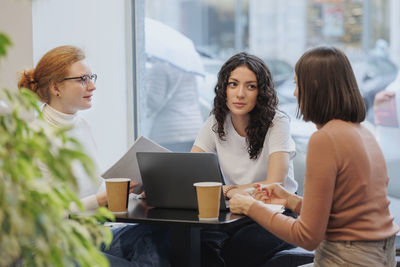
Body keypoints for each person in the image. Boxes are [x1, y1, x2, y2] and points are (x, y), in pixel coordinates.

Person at [229, 46, 399, 266]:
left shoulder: (326, 139)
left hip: (348, 258)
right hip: (380, 255)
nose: (295, 93)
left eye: (298, 84)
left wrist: (249, 206)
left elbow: (307, 236)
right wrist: (289, 199)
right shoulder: (362, 132)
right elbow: (343, 213)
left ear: (314, 87)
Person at [18, 45, 170, 266]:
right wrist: (99, 200)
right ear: (55, 87)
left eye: (91, 77)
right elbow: (43, 216)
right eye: (82, 79)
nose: (92, 86)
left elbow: (94, 189)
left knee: (162, 236)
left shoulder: (81, 126)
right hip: (54, 247)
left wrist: (134, 193)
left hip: (91, 236)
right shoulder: (34, 139)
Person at [191, 52, 298, 266]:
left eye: (250, 86)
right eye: (233, 84)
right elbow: (191, 172)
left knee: (238, 250)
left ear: (261, 92)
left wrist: (227, 190)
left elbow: (274, 184)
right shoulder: (216, 121)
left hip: (276, 211)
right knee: (196, 244)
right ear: (224, 89)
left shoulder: (277, 122)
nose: (240, 94)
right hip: (234, 212)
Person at [145, 57, 204, 152]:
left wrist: (145, 89)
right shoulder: (187, 68)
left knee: (171, 166)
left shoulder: (159, 67)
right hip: (194, 129)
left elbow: (154, 101)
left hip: (170, 131)